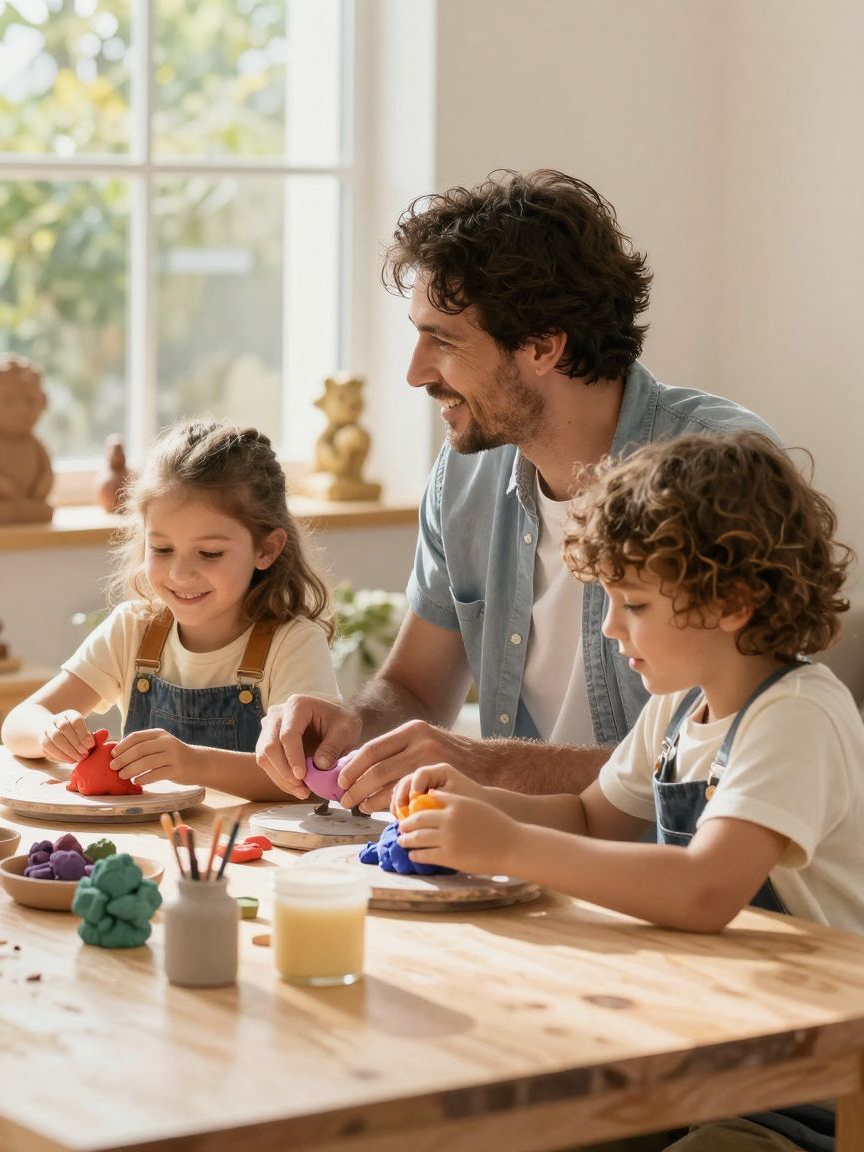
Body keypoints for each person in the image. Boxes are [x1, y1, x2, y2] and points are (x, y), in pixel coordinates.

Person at [389, 432, 864, 1152]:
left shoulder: (797, 715)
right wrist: (481, 798)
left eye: (635, 604)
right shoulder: (681, 704)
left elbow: (704, 889)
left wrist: (511, 847)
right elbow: (593, 817)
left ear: (732, 602)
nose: (611, 627)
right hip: (697, 1054)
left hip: (807, 1087)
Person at [256, 170, 775, 812]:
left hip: (682, 878)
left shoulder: (719, 467)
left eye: (441, 340)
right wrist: (349, 727)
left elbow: (726, 759)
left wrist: (483, 763)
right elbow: (416, 688)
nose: (415, 373)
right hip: (529, 862)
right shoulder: (467, 473)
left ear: (543, 346)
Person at [2, 421, 336, 798]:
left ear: (266, 550)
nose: (180, 573)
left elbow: (306, 777)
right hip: (148, 846)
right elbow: (17, 724)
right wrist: (48, 732)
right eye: (161, 549)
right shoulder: (133, 630)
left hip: (251, 851)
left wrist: (193, 764)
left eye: (209, 553)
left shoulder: (294, 644)